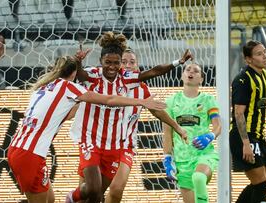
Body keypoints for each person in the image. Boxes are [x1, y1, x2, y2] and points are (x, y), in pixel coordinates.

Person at [7, 55, 166, 203]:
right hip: (29, 155)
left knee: (51, 199)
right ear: (74, 73)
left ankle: (72, 197)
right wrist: (141, 102)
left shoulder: (43, 87)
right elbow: (109, 99)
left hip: (22, 149)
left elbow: (67, 114)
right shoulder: (68, 87)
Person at [65, 31, 191, 203]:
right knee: (91, 189)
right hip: (91, 141)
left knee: (105, 193)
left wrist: (178, 62)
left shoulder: (131, 82)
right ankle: (71, 198)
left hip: (119, 145)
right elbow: (80, 77)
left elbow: (154, 74)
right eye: (122, 62)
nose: (115, 66)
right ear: (101, 61)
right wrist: (78, 62)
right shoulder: (94, 75)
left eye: (127, 62)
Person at [104, 48, 191, 203]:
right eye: (124, 62)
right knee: (92, 191)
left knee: (117, 189)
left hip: (126, 146)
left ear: (138, 67)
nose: (128, 65)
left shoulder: (141, 89)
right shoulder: (106, 85)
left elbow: (156, 111)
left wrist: (178, 128)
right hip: (100, 143)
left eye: (132, 62)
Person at [162, 63, 221, 203]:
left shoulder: (208, 100)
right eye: (188, 69)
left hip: (203, 154)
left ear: (201, 79)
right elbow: (167, 134)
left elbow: (218, 126)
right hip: (182, 160)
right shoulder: (171, 102)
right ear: (182, 75)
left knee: (199, 177)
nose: (191, 72)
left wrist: (210, 136)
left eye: (196, 71)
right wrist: (167, 159)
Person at [230, 40, 266, 203]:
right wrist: (246, 143)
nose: (265, 56)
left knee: (265, 182)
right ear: (248, 59)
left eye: (265, 52)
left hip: (259, 137)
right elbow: (239, 114)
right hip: (244, 137)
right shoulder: (243, 80)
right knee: (260, 185)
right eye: (259, 54)